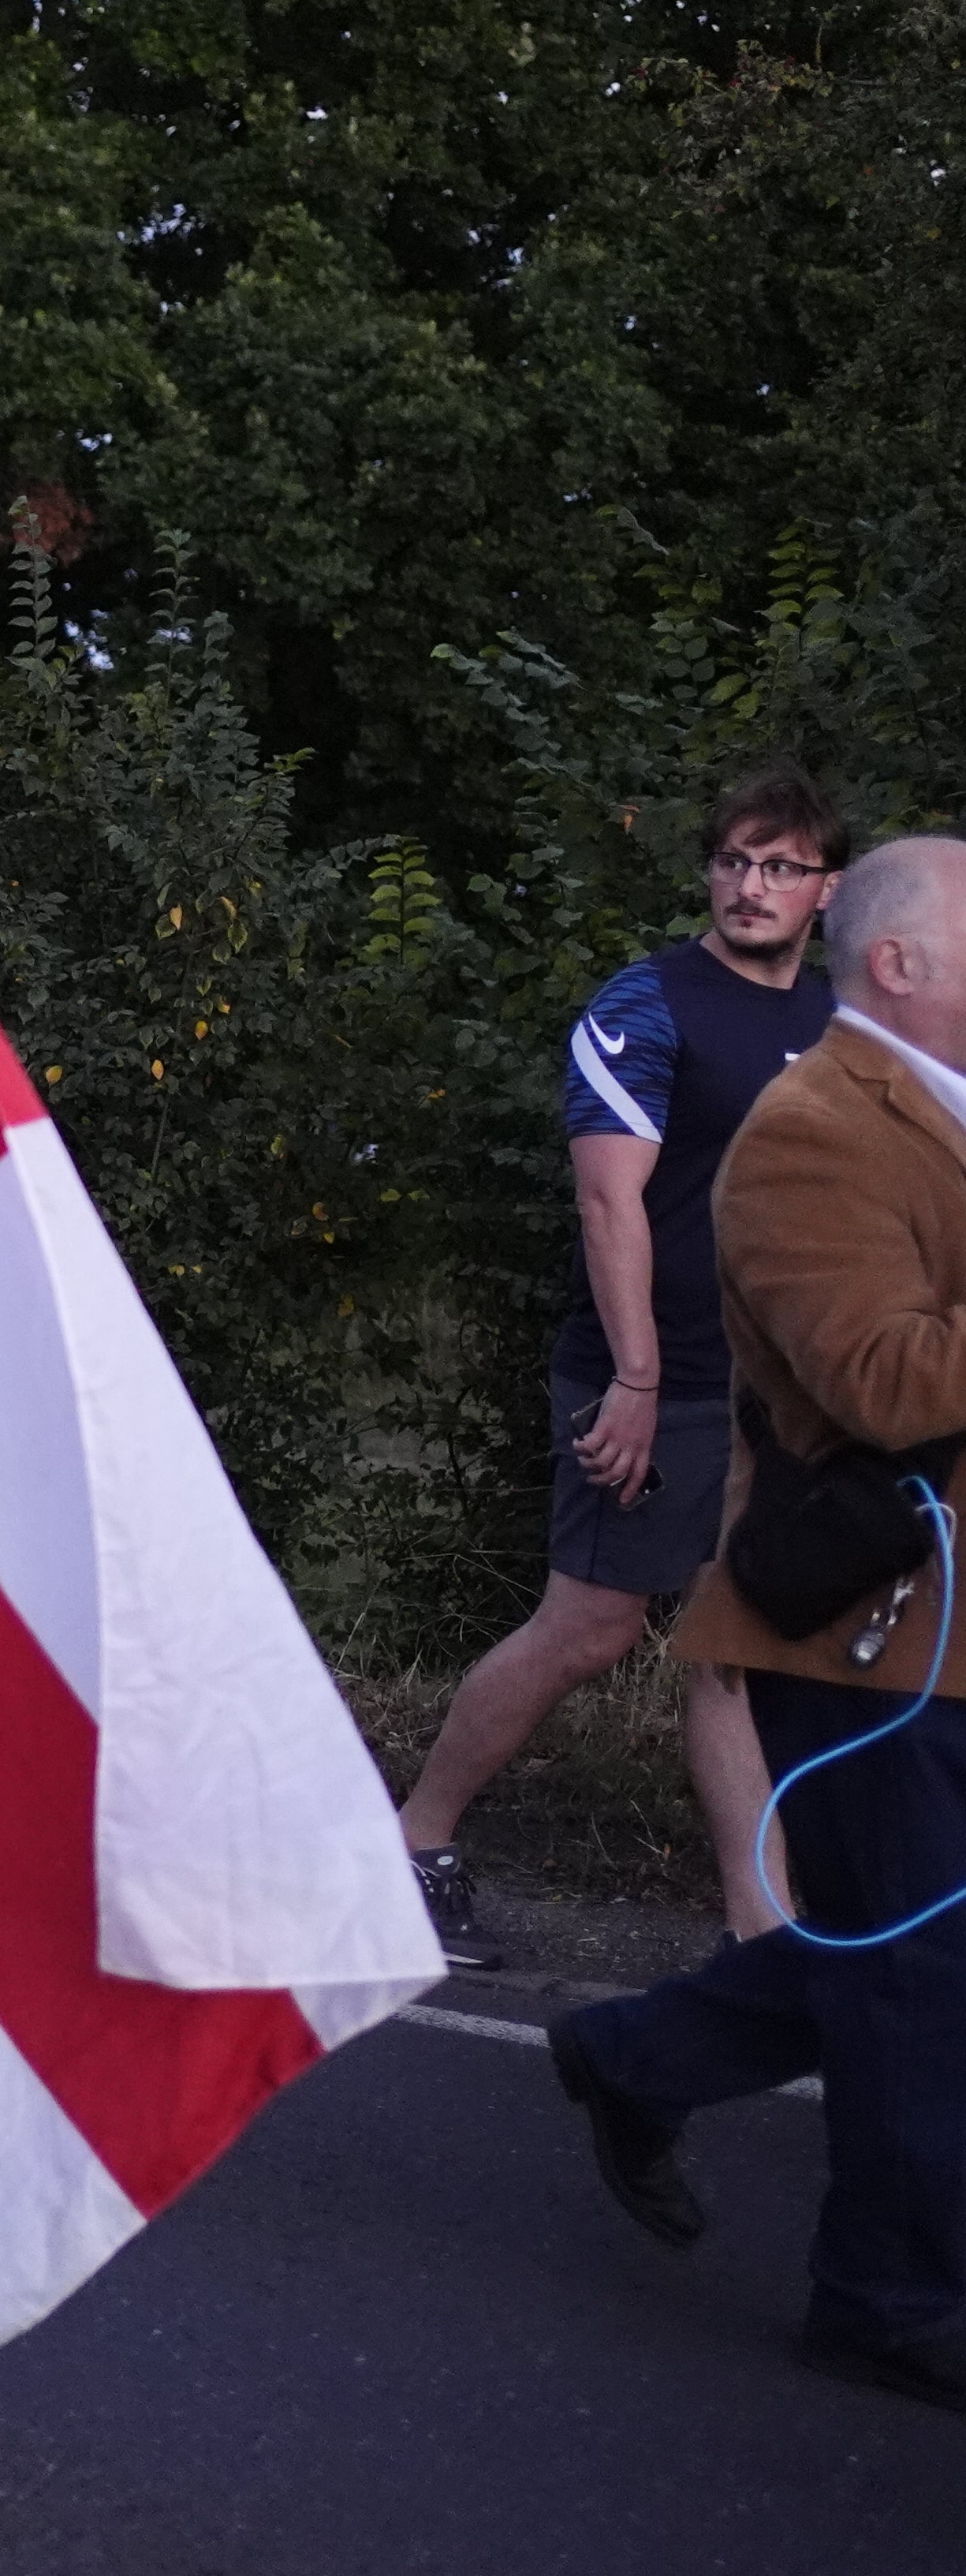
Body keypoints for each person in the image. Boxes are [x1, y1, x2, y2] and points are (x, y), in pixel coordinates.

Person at [546, 832, 966, 2413]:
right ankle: (884, 2293)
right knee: (919, 1970)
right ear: (903, 963)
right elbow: (880, 1378)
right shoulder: (812, 1133)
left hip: (941, 1626)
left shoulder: (941, 1113)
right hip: (875, 1632)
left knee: (898, 1941)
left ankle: (639, 2054)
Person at [400, 765, 847, 1967]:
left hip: (778, 1397)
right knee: (591, 1628)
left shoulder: (833, 1024)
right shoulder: (643, 1006)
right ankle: (410, 1847)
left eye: (782, 866)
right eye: (734, 862)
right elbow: (611, 1208)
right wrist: (638, 1383)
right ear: (708, 872)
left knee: (733, 1655)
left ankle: (766, 1938)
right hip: (655, 1379)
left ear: (827, 889)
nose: (752, 887)